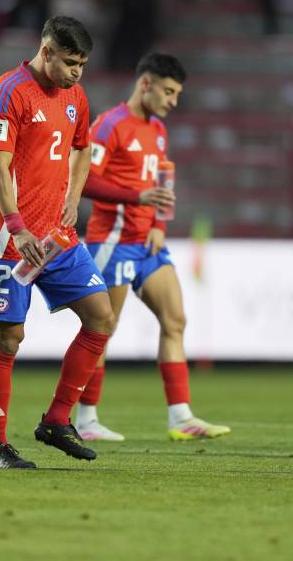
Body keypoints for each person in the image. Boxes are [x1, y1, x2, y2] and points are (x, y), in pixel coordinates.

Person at [0, 16, 116, 469]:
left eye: (83, 65)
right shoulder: (8, 91)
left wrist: (73, 199)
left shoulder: (75, 96)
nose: (77, 72)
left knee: (100, 317)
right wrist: (16, 225)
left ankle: (57, 420)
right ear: (47, 50)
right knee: (8, 339)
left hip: (57, 235)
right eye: (70, 62)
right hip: (9, 239)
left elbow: (82, 149)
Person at [75, 53, 230, 441]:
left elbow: (164, 177)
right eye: (168, 91)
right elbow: (83, 181)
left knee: (175, 320)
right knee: (102, 328)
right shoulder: (109, 125)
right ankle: (85, 419)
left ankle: (181, 417)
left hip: (147, 243)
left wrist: (160, 222)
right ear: (145, 83)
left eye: (177, 94)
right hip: (112, 240)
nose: (173, 101)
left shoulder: (158, 130)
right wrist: (136, 198)